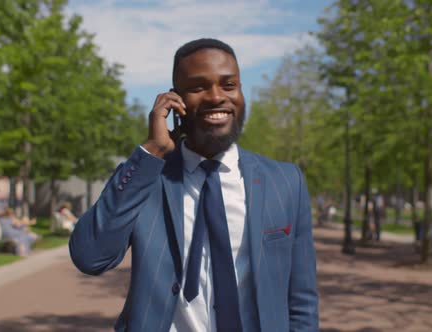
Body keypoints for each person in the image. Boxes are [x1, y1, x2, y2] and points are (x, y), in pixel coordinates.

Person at [69, 38, 318, 331]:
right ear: (175, 101)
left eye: (228, 85)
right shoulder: (147, 177)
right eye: (198, 87)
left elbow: (301, 301)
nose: (216, 97)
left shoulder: (286, 182)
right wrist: (152, 152)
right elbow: (90, 257)